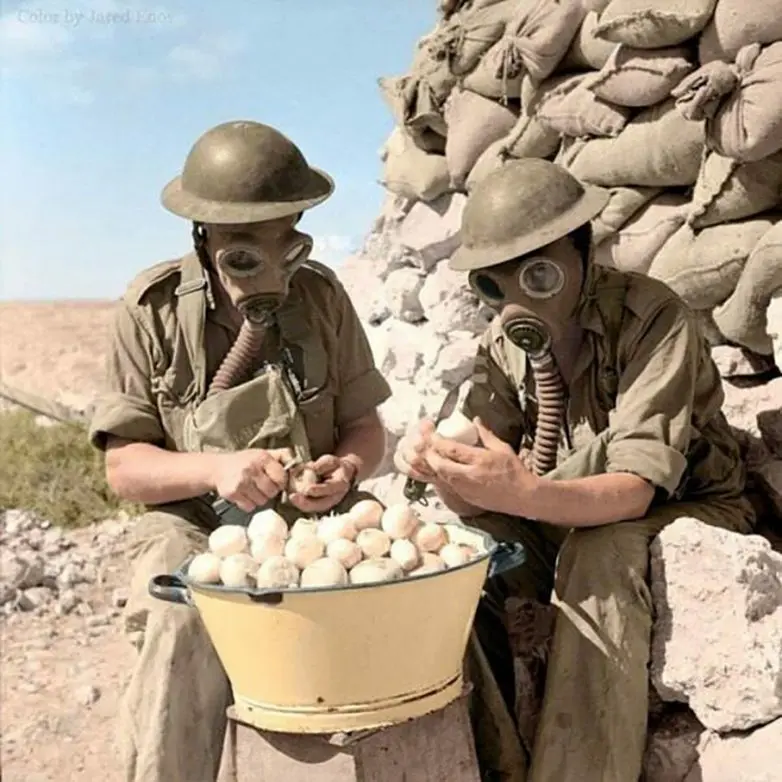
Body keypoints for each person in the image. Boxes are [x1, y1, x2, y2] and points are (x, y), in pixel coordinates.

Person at [394, 158, 756, 782]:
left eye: (538, 274)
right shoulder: (502, 347)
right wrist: (442, 470)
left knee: (601, 551)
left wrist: (524, 492)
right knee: (463, 564)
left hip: (679, 505)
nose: (516, 302)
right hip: (559, 508)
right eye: (494, 286)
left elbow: (635, 489)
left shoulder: (652, 318)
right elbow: (485, 496)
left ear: (582, 252)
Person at [87, 120, 391, 782]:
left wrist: (345, 469)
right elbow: (125, 469)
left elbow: (366, 426)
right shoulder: (153, 310)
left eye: (287, 239)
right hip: (194, 520)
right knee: (179, 618)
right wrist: (217, 470)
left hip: (314, 521)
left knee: (412, 598)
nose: (269, 261)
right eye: (243, 246)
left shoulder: (323, 300)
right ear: (204, 238)